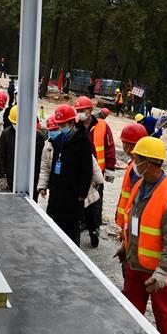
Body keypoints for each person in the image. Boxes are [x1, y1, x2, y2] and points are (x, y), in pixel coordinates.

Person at [115, 137, 167, 334]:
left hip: (158, 272)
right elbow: (135, 222)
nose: (134, 162)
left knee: (166, 316)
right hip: (135, 265)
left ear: (147, 163)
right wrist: (126, 247)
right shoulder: (140, 186)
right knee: (131, 312)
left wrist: (164, 271)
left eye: (137, 158)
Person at [38, 104, 93, 244]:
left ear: (71, 122)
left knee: (70, 234)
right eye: (59, 125)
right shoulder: (57, 141)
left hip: (73, 197)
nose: (61, 128)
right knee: (53, 230)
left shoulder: (83, 142)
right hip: (57, 194)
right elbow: (49, 166)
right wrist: (44, 185)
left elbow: (87, 170)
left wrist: (82, 193)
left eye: (63, 125)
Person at [74, 95, 116, 248]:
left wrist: (110, 168)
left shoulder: (102, 126)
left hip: (97, 172)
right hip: (79, 172)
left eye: (82, 110)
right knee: (80, 199)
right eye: (77, 110)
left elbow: (110, 148)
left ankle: (94, 228)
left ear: (90, 110)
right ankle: (83, 223)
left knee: (96, 202)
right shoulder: (74, 125)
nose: (79, 113)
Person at [0, 105, 44, 198]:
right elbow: (1, 156)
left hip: (31, 181)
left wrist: (40, 182)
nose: (17, 126)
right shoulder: (6, 134)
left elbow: (41, 160)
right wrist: (1, 176)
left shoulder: (37, 136)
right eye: (14, 123)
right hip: (11, 179)